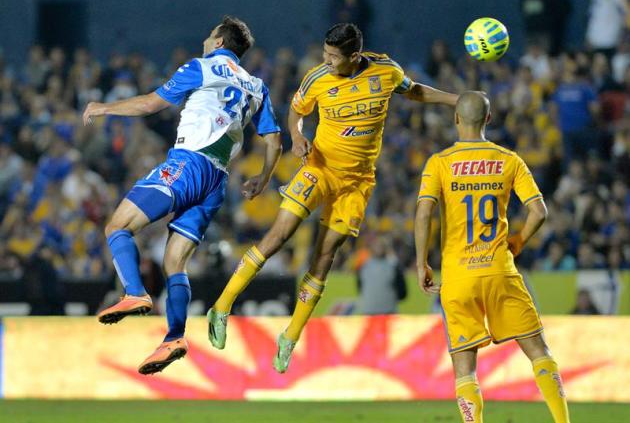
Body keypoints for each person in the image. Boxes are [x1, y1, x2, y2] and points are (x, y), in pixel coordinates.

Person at [207, 22, 458, 373]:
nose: (325, 61)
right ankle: (221, 306)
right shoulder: (317, 78)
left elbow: (412, 90)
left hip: (357, 184)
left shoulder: (385, 71)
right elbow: (297, 111)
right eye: (323, 53)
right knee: (279, 236)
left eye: (332, 56)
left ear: (354, 56)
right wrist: (296, 136)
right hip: (319, 168)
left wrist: (454, 100)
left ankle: (291, 336)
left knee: (325, 256)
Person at [82, 16, 282, 375]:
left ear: (220, 41)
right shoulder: (256, 86)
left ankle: (134, 291)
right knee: (175, 263)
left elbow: (148, 105)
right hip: (216, 182)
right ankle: (174, 336)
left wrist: (102, 108)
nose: (204, 40)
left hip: (188, 165)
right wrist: (264, 178)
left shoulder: (202, 67)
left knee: (117, 227)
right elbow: (274, 140)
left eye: (209, 35)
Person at [414, 92, 570, 423]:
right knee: (539, 352)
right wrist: (519, 241)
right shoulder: (509, 159)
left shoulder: (439, 163)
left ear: (456, 118)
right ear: (488, 119)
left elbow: (424, 212)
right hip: (500, 269)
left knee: (465, 366)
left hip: (458, 277)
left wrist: (421, 262)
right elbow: (539, 211)